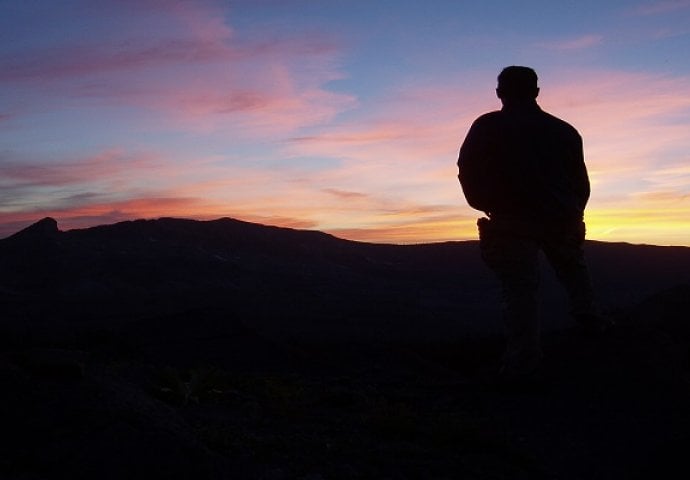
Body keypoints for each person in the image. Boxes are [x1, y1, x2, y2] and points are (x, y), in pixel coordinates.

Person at [457, 66, 611, 378]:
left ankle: (522, 362)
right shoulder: (565, 131)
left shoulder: (488, 126)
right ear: (537, 92)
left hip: (510, 220)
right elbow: (581, 182)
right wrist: (573, 212)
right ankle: (592, 324)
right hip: (561, 217)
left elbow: (467, 168)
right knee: (573, 270)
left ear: (500, 92)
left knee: (520, 289)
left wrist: (483, 204)